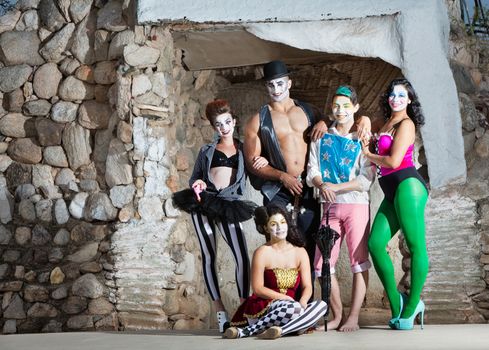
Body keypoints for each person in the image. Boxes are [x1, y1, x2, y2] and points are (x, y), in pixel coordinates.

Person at [172, 99, 263, 332]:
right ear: (214, 127)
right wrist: (198, 183)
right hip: (203, 202)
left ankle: (244, 307)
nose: (224, 127)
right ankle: (220, 310)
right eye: (218, 124)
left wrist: (262, 162)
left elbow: (256, 172)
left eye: (227, 122)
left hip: (230, 204)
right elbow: (195, 178)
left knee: (242, 256)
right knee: (209, 254)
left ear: (234, 121)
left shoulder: (244, 149)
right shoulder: (207, 150)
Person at [362, 78, 429, 330]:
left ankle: (412, 307)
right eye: (392, 94)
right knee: (375, 243)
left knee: (415, 246)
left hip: (408, 186)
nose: (396, 99)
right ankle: (396, 302)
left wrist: (368, 155)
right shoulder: (384, 122)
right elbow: (364, 124)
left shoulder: (406, 124)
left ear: (409, 100)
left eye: (402, 95)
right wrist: (366, 120)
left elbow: (393, 161)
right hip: (390, 190)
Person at [306, 85, 374, 332]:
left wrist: (335, 186)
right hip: (329, 206)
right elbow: (312, 170)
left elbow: (366, 179)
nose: (340, 110)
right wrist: (321, 184)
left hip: (356, 205)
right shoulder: (321, 137)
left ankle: (354, 317)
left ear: (356, 108)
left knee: (359, 262)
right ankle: (337, 314)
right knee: (321, 265)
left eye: (346, 106)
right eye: (336, 106)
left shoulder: (362, 138)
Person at [223, 205, 327, 339]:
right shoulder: (261, 252)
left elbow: (307, 286)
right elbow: (257, 288)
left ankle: (280, 330)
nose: (280, 227)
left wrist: (303, 302)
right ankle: (248, 331)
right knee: (293, 309)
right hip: (265, 307)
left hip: (292, 308)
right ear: (266, 228)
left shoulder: (300, 252)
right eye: (274, 224)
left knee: (322, 305)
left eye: (283, 222)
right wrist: (284, 298)